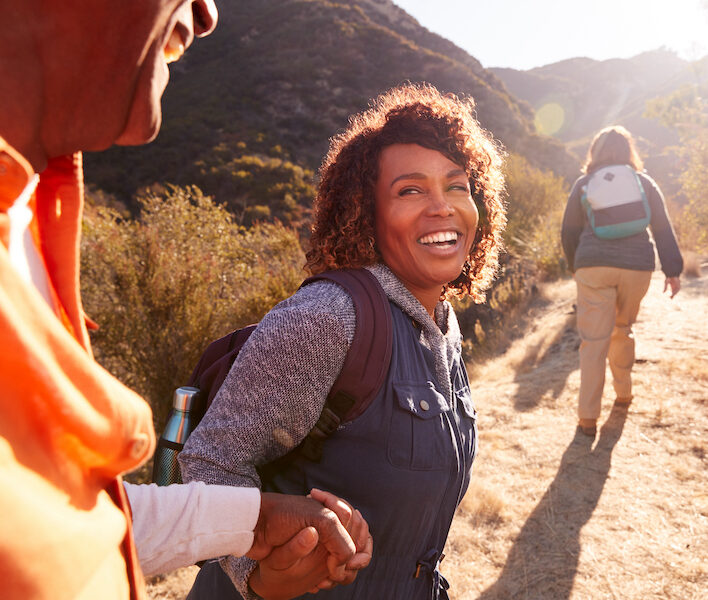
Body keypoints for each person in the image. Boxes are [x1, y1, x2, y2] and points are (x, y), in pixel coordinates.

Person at [0, 1, 370, 598]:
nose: (206, 14)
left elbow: (61, 515)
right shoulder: (321, 317)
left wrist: (247, 520)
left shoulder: (29, 215)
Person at [180, 83, 507, 600]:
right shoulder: (330, 318)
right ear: (366, 214)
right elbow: (211, 462)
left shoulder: (443, 324)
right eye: (410, 190)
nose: (442, 207)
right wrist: (260, 577)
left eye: (458, 186)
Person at [561, 125, 683, 437]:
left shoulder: (584, 183)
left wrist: (577, 266)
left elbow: (569, 231)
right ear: (629, 151)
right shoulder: (643, 182)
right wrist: (673, 269)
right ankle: (624, 393)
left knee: (593, 343)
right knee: (622, 329)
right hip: (637, 265)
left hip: (593, 266)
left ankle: (588, 418)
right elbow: (662, 227)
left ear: (595, 152)